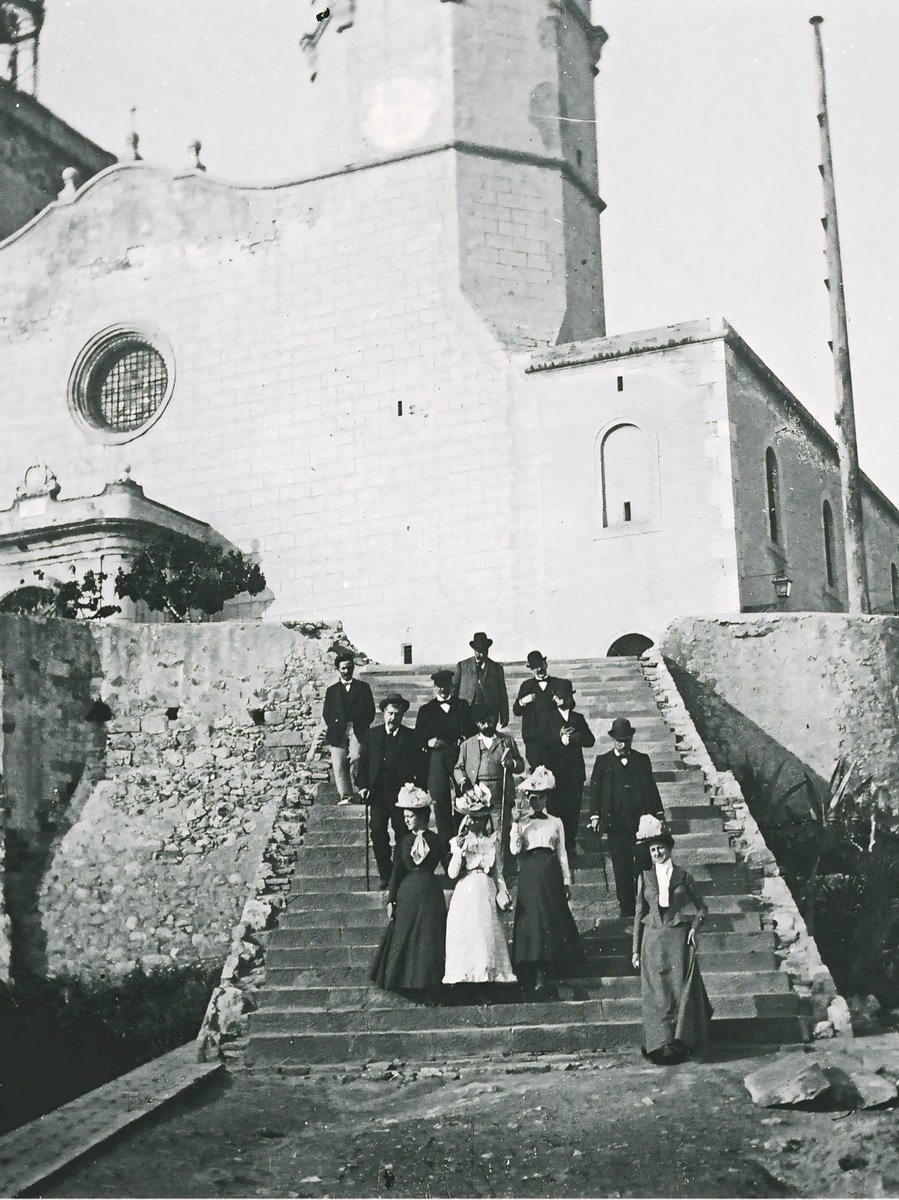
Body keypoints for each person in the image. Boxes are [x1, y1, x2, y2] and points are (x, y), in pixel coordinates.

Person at [631, 815, 712, 1064]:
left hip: (678, 939)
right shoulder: (644, 878)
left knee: (677, 991)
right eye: (652, 849)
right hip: (652, 940)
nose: (657, 852)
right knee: (657, 993)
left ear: (669, 847)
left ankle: (680, 1043)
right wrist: (634, 949)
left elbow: (703, 909)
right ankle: (658, 1045)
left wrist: (694, 929)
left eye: (660, 847)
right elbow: (638, 913)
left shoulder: (684, 876)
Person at [369, 784, 449, 1003]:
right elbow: (396, 872)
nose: (406, 820)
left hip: (430, 894)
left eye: (410, 816)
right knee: (406, 936)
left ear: (423, 815)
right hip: (408, 895)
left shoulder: (436, 840)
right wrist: (391, 899)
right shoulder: (403, 842)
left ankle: (429, 985)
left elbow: (449, 866)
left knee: (428, 939)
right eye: (404, 816)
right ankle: (406, 982)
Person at [509, 766, 584, 996]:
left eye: (541, 797)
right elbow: (514, 850)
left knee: (552, 916)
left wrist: (566, 881)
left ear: (546, 797)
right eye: (533, 797)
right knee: (533, 918)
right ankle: (532, 966)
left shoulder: (555, 821)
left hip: (550, 870)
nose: (537, 801)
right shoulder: (522, 822)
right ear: (528, 799)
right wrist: (516, 825)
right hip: (531, 871)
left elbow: (562, 852)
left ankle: (551, 967)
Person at [588, 716, 664, 917]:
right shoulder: (603, 762)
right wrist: (595, 815)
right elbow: (594, 791)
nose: (622, 744)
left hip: (641, 825)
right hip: (615, 826)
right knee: (621, 869)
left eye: (626, 740)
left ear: (631, 739)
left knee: (643, 866)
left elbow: (651, 788)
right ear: (613, 739)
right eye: (619, 740)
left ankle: (645, 907)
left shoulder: (641, 760)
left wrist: (658, 813)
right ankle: (627, 910)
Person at [443, 785, 516, 992]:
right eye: (472, 818)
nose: (475, 822)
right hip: (467, 889)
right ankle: (465, 978)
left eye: (479, 818)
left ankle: (486, 978)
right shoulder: (459, 842)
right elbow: (451, 873)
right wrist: (458, 850)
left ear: (485, 820)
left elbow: (498, 872)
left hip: (486, 889)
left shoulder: (491, 842)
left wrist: (502, 891)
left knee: (486, 932)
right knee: (468, 932)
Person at [453, 704, 524, 881]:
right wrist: (465, 786)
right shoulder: (468, 744)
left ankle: (501, 873)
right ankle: (481, 870)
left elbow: (520, 764)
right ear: (477, 723)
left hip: (500, 795)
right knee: (478, 834)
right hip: (477, 799)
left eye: (490, 721)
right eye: (483, 722)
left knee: (500, 834)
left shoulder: (506, 741)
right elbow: (458, 768)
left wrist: (512, 764)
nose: (487, 725)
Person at [356, 693, 419, 889]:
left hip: (401, 794)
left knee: (402, 832)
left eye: (398, 715)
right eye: (390, 713)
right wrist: (363, 786)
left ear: (402, 716)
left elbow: (419, 766)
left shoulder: (410, 736)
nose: (393, 718)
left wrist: (416, 789)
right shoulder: (372, 735)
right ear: (383, 713)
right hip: (377, 794)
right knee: (377, 832)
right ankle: (385, 873)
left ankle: (399, 873)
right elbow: (363, 763)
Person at [414, 669, 476, 848]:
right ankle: (446, 849)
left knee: (463, 798)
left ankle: (463, 841)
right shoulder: (426, 710)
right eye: (440, 686)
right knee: (440, 800)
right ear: (435, 687)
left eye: (446, 685)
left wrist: (465, 739)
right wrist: (428, 741)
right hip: (437, 759)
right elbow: (418, 738)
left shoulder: (462, 706)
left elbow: (472, 731)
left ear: (452, 686)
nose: (443, 689)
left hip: (458, 757)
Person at [544, 681, 595, 860]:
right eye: (556, 696)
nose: (556, 699)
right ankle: (555, 845)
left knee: (573, 810)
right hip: (556, 773)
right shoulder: (549, 717)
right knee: (555, 809)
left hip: (574, 774)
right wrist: (558, 737)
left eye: (560, 696)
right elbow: (542, 741)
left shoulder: (577, 718)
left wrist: (577, 737)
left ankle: (570, 845)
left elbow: (591, 740)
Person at [321, 650, 375, 805]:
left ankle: (361, 791)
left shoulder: (363, 687)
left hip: (357, 729)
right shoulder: (332, 691)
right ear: (338, 670)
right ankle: (346, 795)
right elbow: (327, 712)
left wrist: (363, 724)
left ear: (353, 668)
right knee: (339, 763)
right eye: (343, 668)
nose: (347, 671)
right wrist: (335, 725)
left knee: (357, 757)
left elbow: (370, 710)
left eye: (349, 667)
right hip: (337, 731)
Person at [512, 650, 570, 769]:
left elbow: (571, 704)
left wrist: (562, 702)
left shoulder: (560, 684)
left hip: (556, 739)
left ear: (545, 663)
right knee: (537, 777)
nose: (538, 669)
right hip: (534, 741)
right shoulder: (526, 686)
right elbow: (516, 711)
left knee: (557, 774)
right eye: (534, 667)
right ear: (531, 669)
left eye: (540, 665)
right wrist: (523, 701)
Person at [453, 632, 510, 728]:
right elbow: (454, 691)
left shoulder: (496, 668)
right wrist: (453, 714)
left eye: (484, 651)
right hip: (467, 712)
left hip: (490, 712)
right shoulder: (462, 666)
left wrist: (504, 715)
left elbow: (502, 693)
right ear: (474, 650)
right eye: (478, 651)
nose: (481, 654)